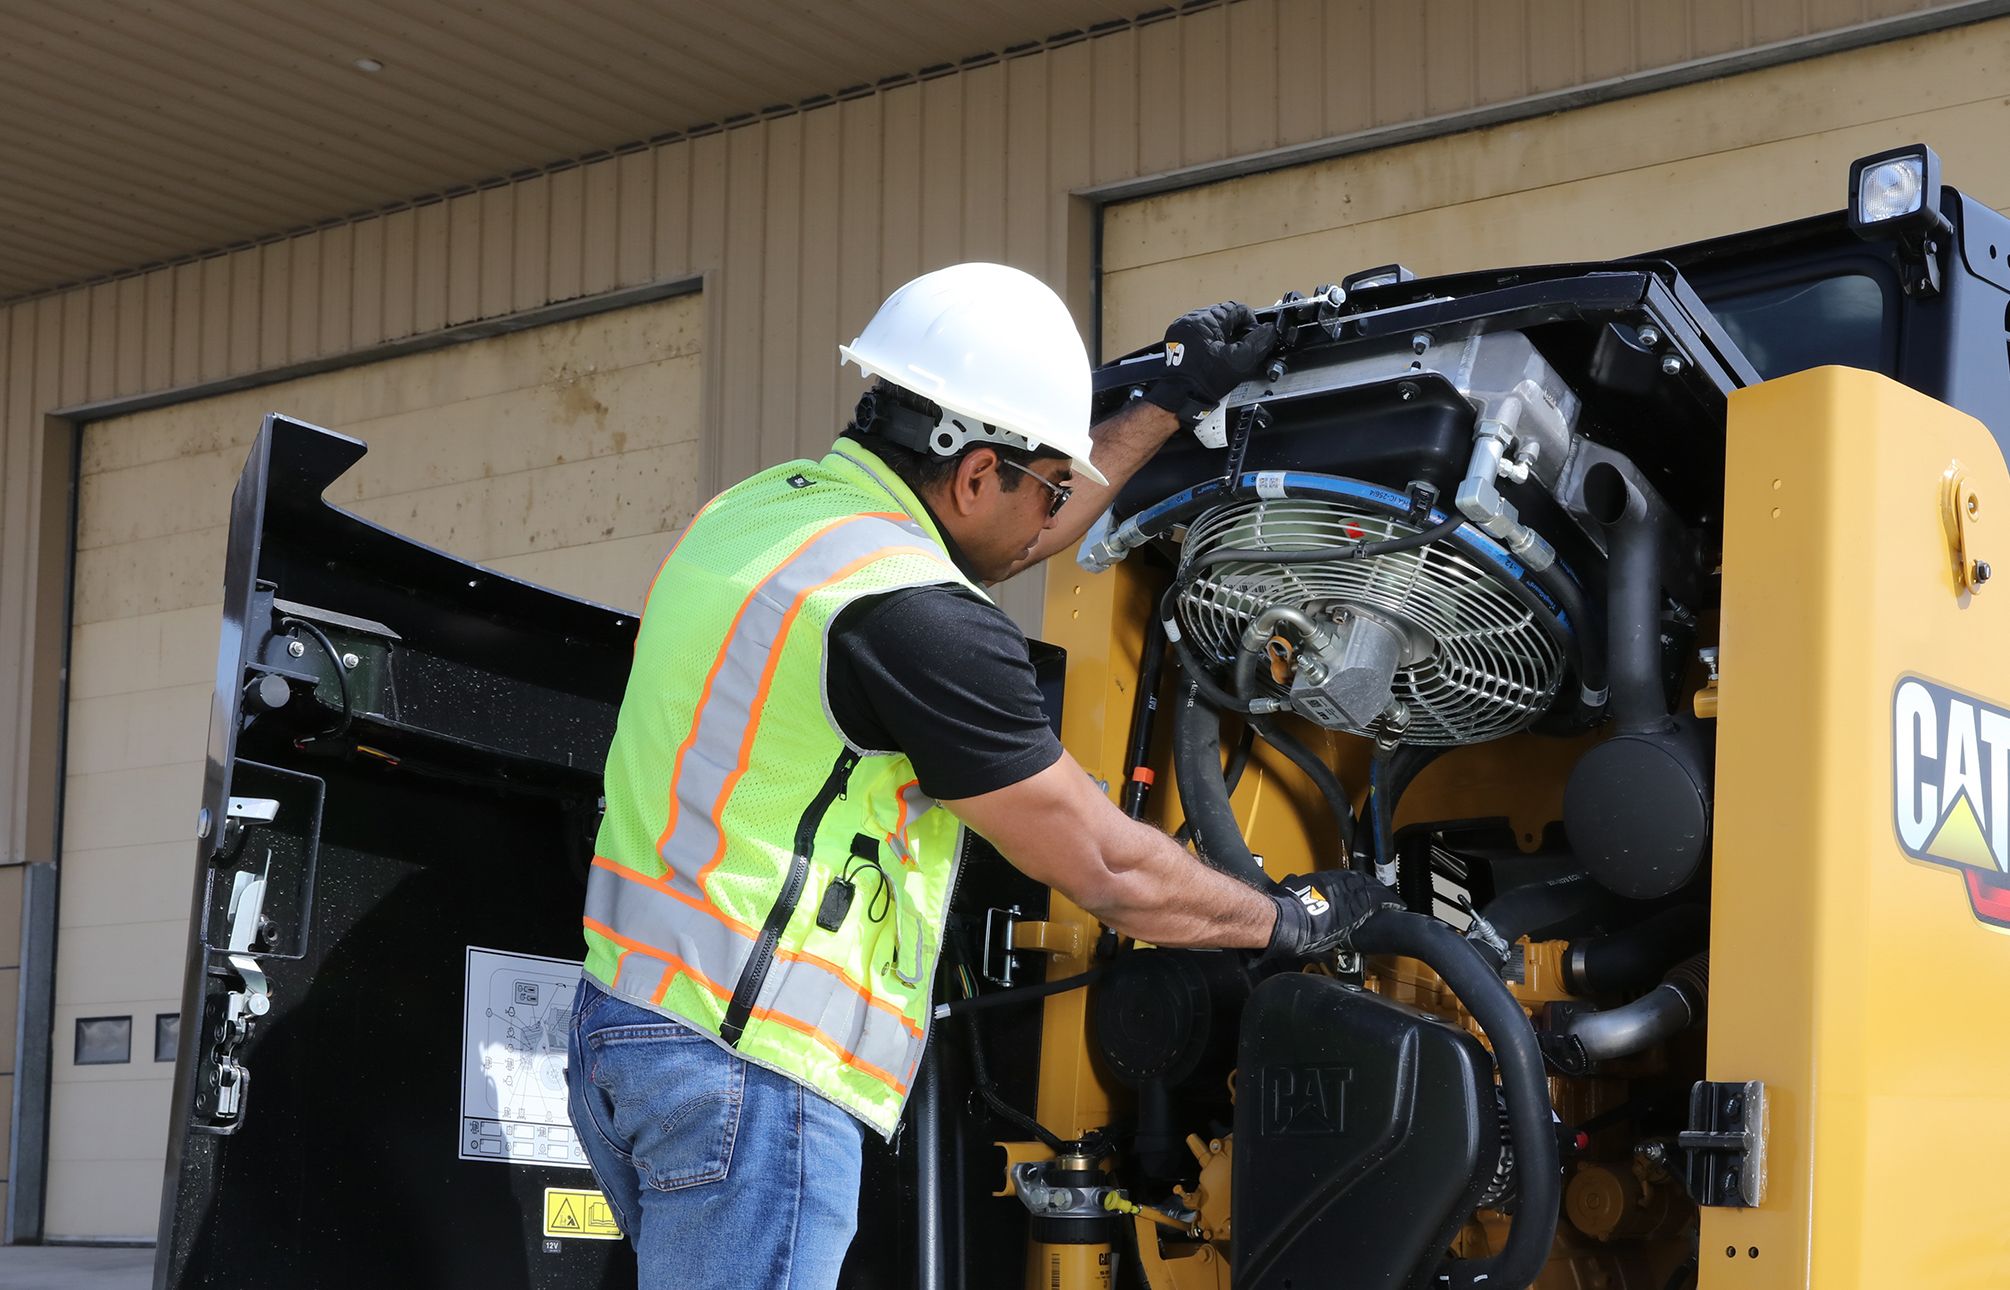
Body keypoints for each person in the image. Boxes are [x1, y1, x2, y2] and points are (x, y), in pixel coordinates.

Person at [565, 262, 1393, 1289]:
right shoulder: (910, 613)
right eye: (1049, 482)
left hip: (630, 1029)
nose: (1054, 516)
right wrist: (1286, 918)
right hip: (754, 1072)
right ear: (971, 474)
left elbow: (1012, 534)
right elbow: (1103, 867)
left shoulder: (762, 515)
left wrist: (1167, 406)